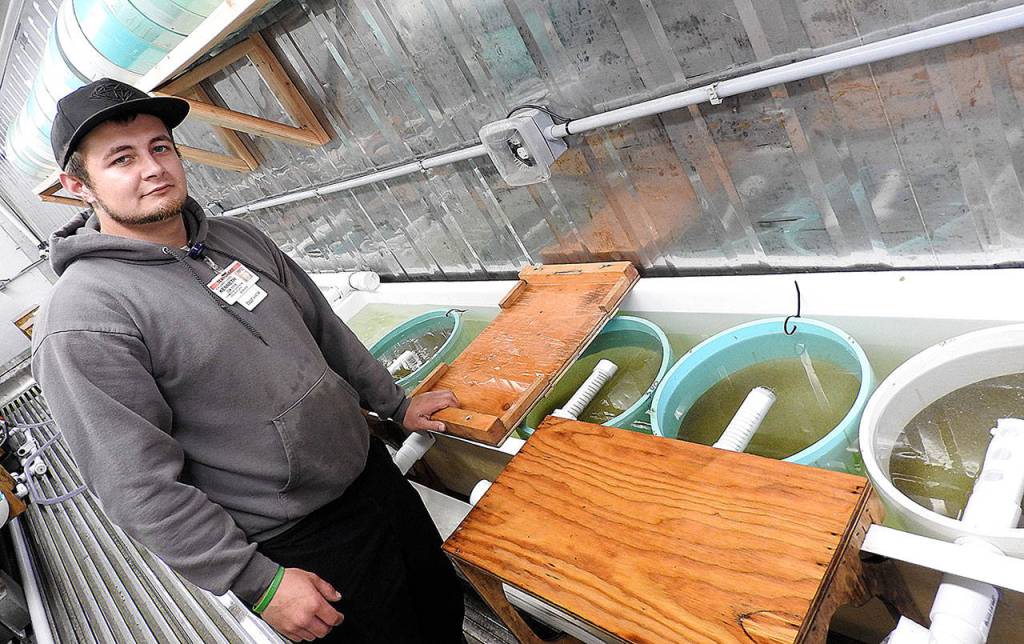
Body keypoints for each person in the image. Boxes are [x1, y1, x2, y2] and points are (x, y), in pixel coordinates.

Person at [31, 78, 465, 643]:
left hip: (371, 477)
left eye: (160, 146)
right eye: (121, 158)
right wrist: (253, 580)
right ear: (77, 185)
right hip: (299, 539)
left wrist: (395, 403)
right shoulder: (84, 318)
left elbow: (324, 330)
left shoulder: (236, 239)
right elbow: (136, 483)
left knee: (440, 608)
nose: (153, 168)